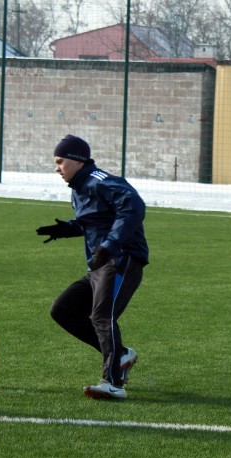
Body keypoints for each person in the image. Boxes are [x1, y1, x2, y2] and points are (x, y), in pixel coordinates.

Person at [36, 134, 149, 399]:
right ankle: (121, 355)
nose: (57, 168)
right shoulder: (78, 189)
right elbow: (93, 222)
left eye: (60, 161)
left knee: (102, 317)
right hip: (100, 265)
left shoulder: (100, 181)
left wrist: (110, 245)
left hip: (121, 259)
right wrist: (68, 228)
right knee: (62, 310)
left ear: (76, 160)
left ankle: (113, 383)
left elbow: (133, 205)